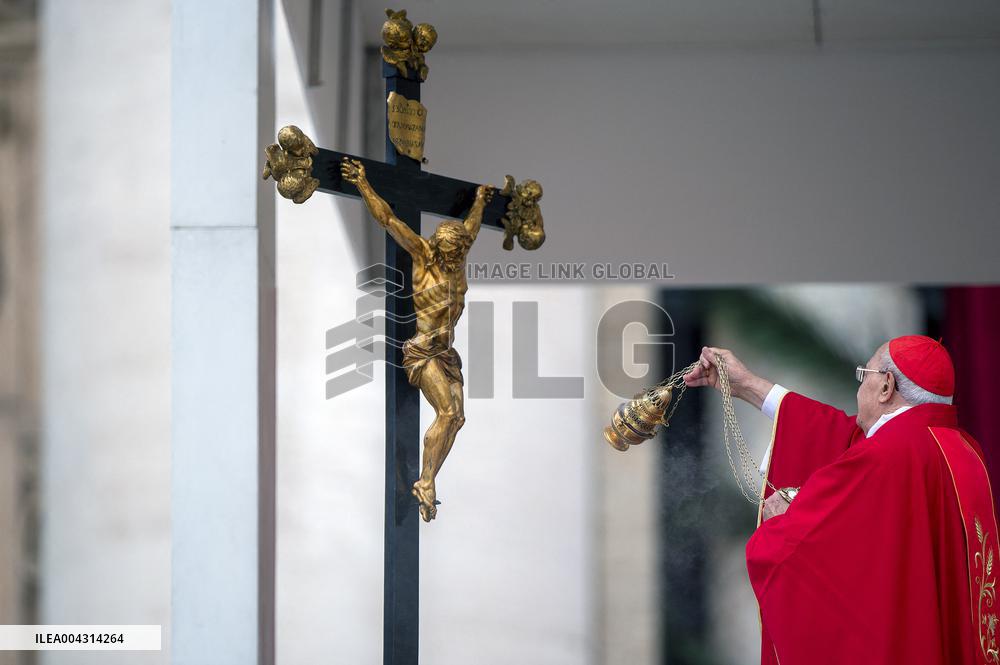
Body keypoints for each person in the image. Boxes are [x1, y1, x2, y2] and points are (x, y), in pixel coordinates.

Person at [683, 336, 998, 664]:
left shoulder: (886, 457)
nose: (859, 387)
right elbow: (843, 437)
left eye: (865, 375)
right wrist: (747, 385)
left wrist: (780, 525)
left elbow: (811, 563)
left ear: (886, 386)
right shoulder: (962, 450)